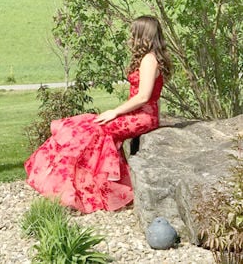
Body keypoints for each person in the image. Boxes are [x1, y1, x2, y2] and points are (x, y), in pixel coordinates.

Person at [24, 15, 172, 213]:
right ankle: (69, 183)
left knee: (95, 130)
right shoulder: (149, 58)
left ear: (143, 35)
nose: (130, 38)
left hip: (143, 117)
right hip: (137, 113)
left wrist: (115, 112)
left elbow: (143, 96)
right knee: (85, 124)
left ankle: (82, 189)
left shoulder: (149, 60)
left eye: (133, 34)